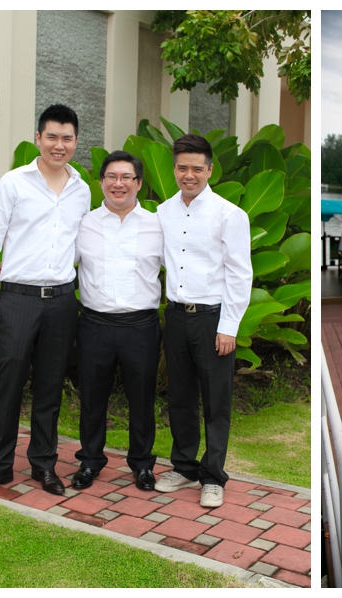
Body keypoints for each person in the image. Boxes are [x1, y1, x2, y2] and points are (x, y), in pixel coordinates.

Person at [0, 104, 90, 498]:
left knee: (50, 386)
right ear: (38, 138)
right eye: (52, 136)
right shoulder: (14, 182)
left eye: (67, 138)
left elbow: (80, 247)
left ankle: (43, 465)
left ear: (76, 142)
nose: (59, 145)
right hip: (19, 299)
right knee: (10, 385)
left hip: (63, 300)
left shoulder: (82, 189)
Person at [154, 134, 252, 508]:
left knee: (216, 401)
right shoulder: (163, 212)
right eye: (182, 167)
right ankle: (183, 467)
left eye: (197, 168)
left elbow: (240, 274)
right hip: (176, 315)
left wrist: (229, 326)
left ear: (210, 169)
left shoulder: (230, 215)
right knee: (179, 396)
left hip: (212, 319)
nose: (189, 175)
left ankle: (213, 476)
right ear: (174, 168)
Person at [71, 151, 164, 492]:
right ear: (101, 182)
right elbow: (60, 262)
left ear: (139, 183)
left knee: (142, 398)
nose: (118, 183)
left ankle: (142, 464)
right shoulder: (85, 223)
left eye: (126, 177)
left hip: (141, 325)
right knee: (92, 397)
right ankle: (90, 461)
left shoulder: (157, 225)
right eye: (111, 176)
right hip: (94, 323)